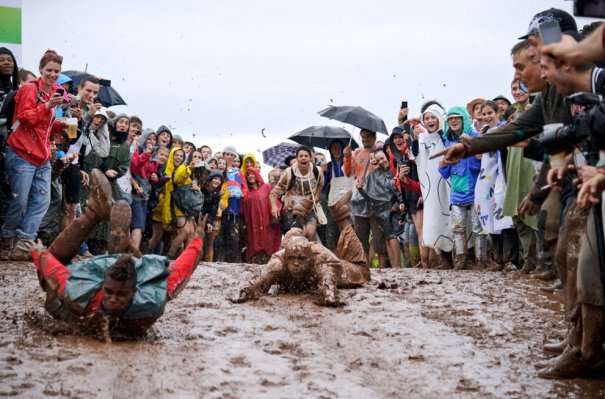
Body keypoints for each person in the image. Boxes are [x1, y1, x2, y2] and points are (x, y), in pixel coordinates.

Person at [32, 169, 205, 340]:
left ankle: (106, 226)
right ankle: (94, 216)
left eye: (121, 295)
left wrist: (197, 240)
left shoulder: (150, 299)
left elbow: (183, 268)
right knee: (46, 279)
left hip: (133, 273)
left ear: (133, 292)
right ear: (103, 287)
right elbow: (50, 265)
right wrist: (37, 251)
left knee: (171, 278)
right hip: (93, 278)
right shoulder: (79, 293)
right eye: (110, 292)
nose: (113, 300)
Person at [233, 190, 370, 307]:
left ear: (309, 260)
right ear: (286, 259)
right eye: (292, 260)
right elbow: (259, 281)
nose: (296, 264)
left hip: (325, 259)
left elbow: (328, 288)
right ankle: (299, 215)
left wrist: (329, 297)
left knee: (362, 270)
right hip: (292, 247)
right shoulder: (278, 263)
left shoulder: (321, 262)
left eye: (301, 260)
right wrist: (245, 293)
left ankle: (341, 218)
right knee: (293, 240)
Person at [1, 50, 67, 261]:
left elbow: (43, 124)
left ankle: (25, 243)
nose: (53, 74)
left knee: (42, 201)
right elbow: (25, 118)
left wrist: (61, 125)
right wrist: (47, 106)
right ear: (40, 70)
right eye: (49, 70)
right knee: (19, 201)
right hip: (21, 153)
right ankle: (6, 238)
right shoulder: (30, 88)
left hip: (42, 156)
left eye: (56, 71)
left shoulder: (52, 93)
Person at [438, 106, 483, 270]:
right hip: (457, 191)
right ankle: (460, 261)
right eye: (450, 119)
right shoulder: (448, 141)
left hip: (476, 189)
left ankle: (480, 261)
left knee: (478, 228)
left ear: (464, 118)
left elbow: (483, 163)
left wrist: (469, 146)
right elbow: (445, 172)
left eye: (457, 117)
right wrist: (442, 164)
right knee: (457, 228)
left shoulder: (476, 137)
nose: (454, 121)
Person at [343, 129, 386, 265]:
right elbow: (349, 173)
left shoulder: (380, 152)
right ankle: (364, 268)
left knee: (379, 236)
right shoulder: (357, 152)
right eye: (363, 137)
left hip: (376, 198)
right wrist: (347, 158)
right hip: (359, 199)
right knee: (361, 237)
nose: (365, 139)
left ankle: (383, 268)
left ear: (375, 136)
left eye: (368, 136)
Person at [356, 148, 403, 268]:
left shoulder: (395, 169)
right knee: (388, 238)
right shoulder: (373, 176)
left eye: (382, 158)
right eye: (378, 160)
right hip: (380, 211)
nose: (381, 161)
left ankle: (397, 266)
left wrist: (399, 203)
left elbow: (400, 190)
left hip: (393, 209)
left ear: (387, 156)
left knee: (392, 236)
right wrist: (360, 189)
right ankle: (394, 267)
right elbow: (369, 197)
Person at [270, 146, 324, 242]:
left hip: (310, 208)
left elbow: (321, 184)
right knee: (299, 235)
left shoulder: (317, 171)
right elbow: (274, 193)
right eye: (301, 156)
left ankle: (314, 255)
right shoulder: (289, 173)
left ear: (310, 158)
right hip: (292, 210)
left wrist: (317, 195)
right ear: (297, 158)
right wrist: (274, 207)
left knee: (311, 233)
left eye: (306, 156)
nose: (303, 158)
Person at [242, 167, 281, 263]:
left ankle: (269, 260)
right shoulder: (247, 193)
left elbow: (274, 200)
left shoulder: (266, 187)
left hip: (267, 220)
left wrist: (277, 210)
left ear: (257, 174)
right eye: (248, 175)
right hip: (253, 223)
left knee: (269, 240)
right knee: (254, 241)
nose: (250, 176)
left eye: (252, 174)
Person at [216, 145, 248, 262]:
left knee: (233, 237)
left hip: (235, 208)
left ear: (234, 157)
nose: (229, 157)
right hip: (220, 208)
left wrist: (242, 194)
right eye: (227, 154)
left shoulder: (238, 171)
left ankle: (231, 263)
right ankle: (217, 260)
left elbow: (245, 188)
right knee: (219, 236)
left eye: (231, 155)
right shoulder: (219, 169)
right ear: (223, 155)